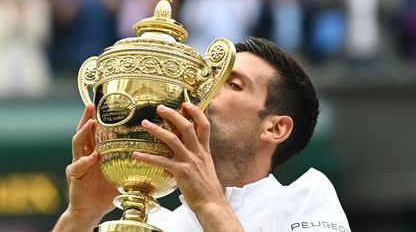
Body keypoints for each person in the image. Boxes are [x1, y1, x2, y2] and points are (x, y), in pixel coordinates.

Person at [52, 37, 351, 232]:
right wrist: (81, 216)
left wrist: (211, 205)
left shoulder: (307, 200)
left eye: (233, 84)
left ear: (274, 128)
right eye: (208, 81)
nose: (204, 93)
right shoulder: (156, 223)